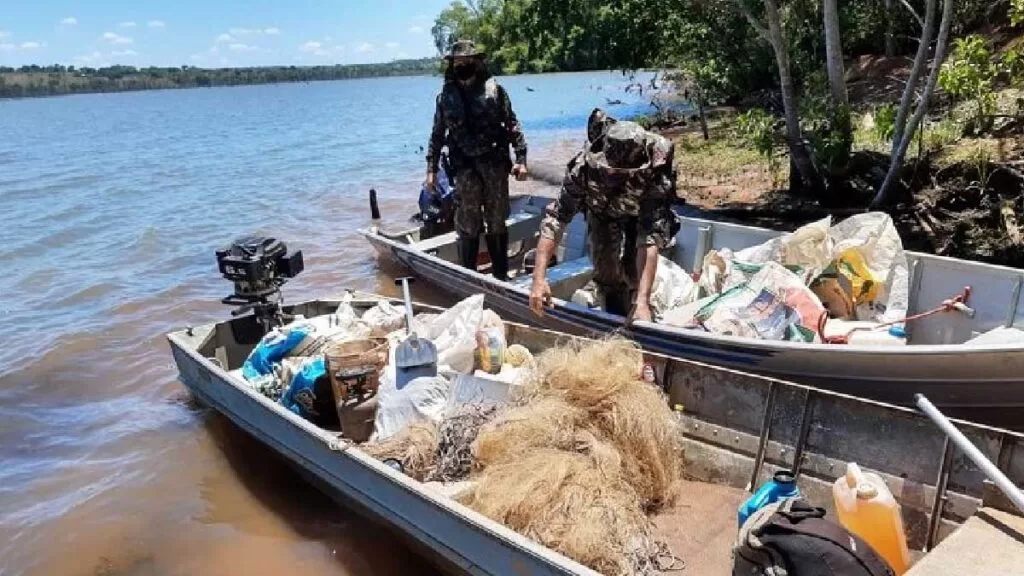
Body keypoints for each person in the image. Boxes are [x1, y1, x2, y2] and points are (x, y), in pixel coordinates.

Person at [529, 109, 679, 323]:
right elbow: (555, 220)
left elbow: (649, 237)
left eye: (620, 171)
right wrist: (538, 279)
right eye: (610, 168)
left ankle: (639, 309)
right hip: (602, 211)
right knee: (605, 267)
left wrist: (643, 300)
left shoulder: (654, 172)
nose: (612, 174)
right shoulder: (582, 170)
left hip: (639, 213)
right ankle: (613, 316)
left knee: (633, 270)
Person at [425, 39, 529, 281]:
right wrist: (431, 169)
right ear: (452, 65)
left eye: (467, 62)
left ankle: (501, 276)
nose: (462, 66)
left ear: (477, 63)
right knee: (467, 224)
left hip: (494, 166)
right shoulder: (445, 98)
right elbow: (437, 134)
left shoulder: (496, 91)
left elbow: (512, 124)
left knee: (496, 222)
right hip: (465, 169)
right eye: (457, 62)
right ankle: (470, 279)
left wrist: (521, 158)